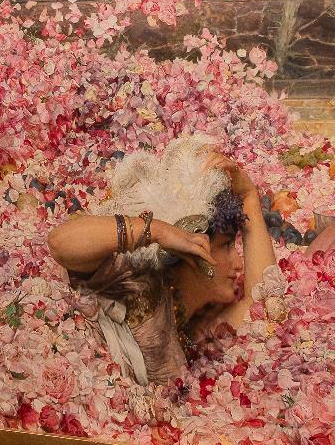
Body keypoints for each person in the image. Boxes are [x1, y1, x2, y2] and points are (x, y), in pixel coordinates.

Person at [46, 136, 279, 386]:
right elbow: (60, 242)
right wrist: (160, 231)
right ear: (189, 250)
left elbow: (265, 304)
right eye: (225, 246)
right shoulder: (131, 286)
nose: (238, 264)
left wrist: (250, 198)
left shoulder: (194, 330)